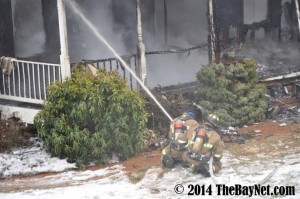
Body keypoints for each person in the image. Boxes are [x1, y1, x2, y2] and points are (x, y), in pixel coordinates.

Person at [161, 104, 203, 168]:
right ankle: (187, 162)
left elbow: (169, 137)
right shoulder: (194, 123)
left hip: (172, 152)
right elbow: (195, 142)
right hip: (184, 154)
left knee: (165, 150)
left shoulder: (174, 120)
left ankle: (168, 159)